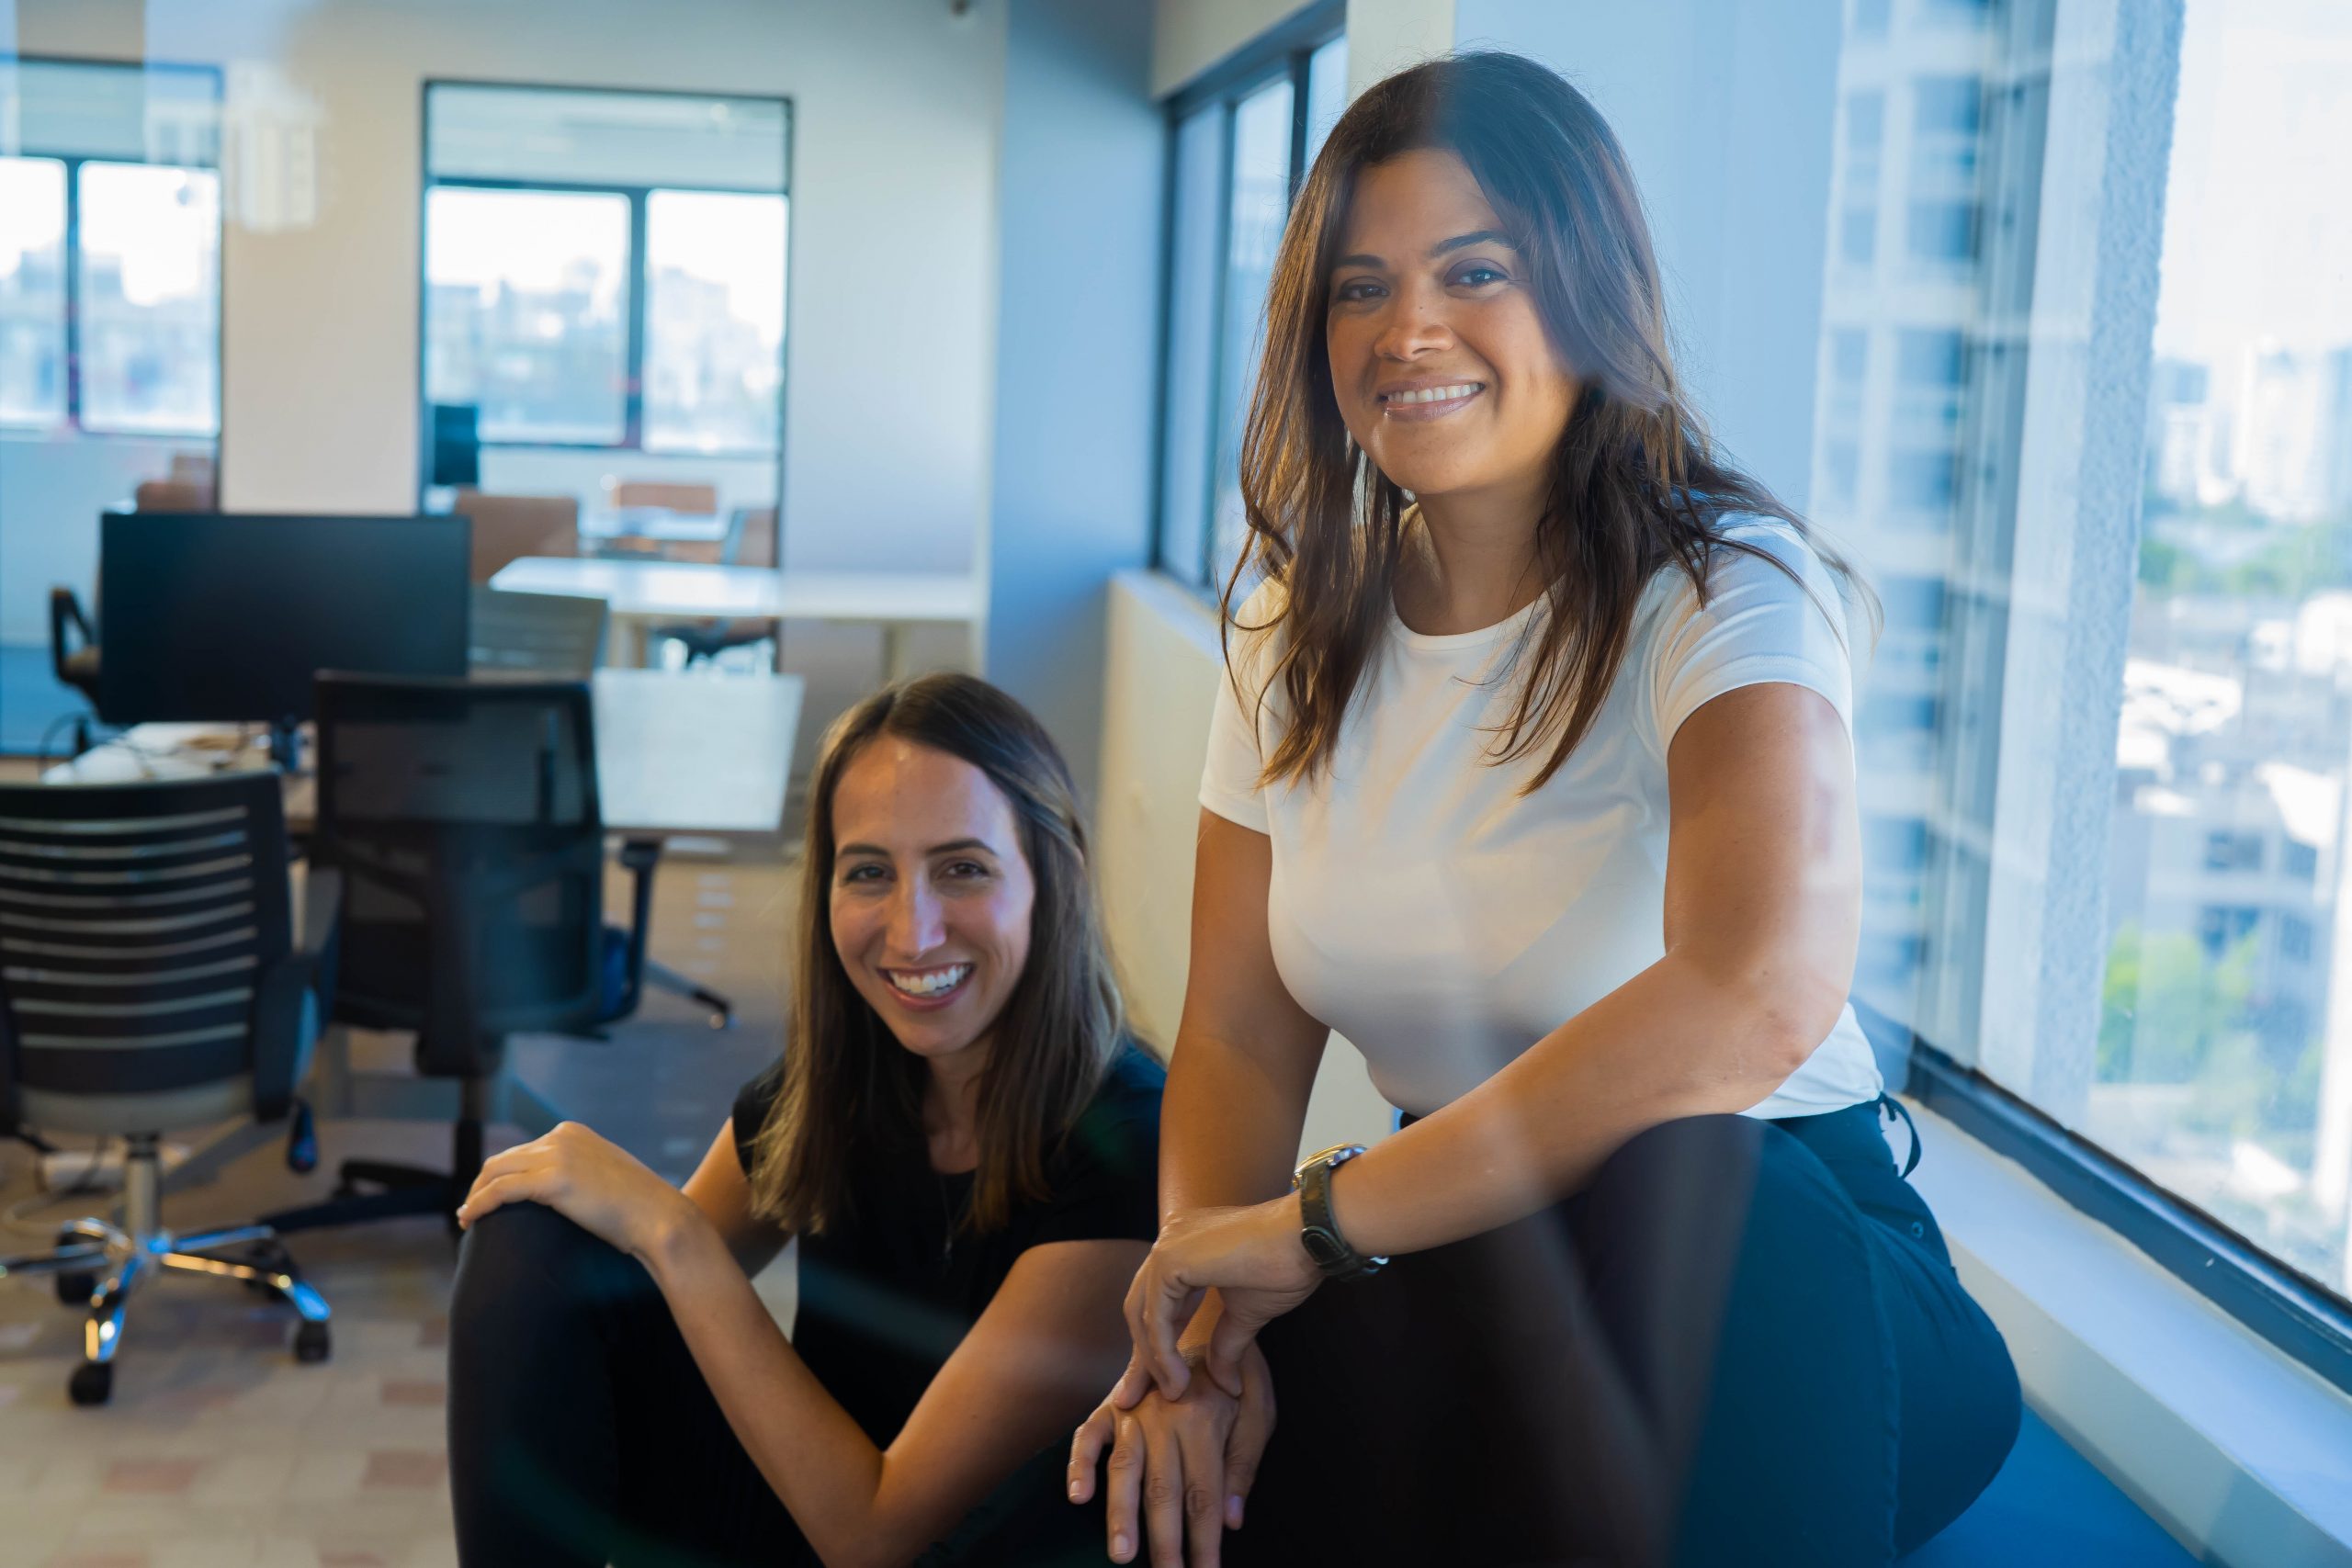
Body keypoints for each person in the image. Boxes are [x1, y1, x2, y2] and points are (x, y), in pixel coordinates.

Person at [1067, 51, 2020, 1568]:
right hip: (1476, 1256)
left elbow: (1754, 994)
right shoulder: (1291, 621)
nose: (1408, 329)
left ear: (1587, 292)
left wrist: (1314, 1224)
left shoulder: (1726, 587)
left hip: (1788, 1281)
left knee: (1682, 1163)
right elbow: (1243, 1036)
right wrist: (1203, 1301)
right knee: (1139, 1492)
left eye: (1475, 270)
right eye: (1359, 287)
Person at [447, 672, 1165, 1567]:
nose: (912, 932)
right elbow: (626, 1323)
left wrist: (671, 1229)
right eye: (868, 872)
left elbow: (876, 1534)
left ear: (1053, 878)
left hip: (927, 1547)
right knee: (533, 1244)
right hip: (804, 1516)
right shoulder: (839, 1090)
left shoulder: (1127, 1143)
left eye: (963, 869)